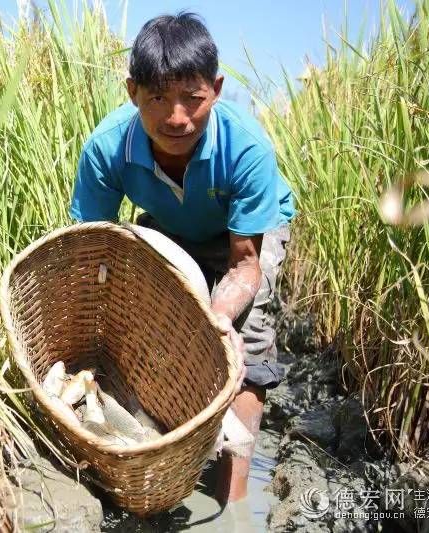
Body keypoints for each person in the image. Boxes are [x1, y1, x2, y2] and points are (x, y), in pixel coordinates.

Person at [68, 12, 295, 504]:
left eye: (192, 99)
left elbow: (245, 264)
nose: (176, 117)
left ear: (214, 88)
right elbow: (90, 247)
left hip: (248, 235)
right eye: (156, 99)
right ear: (132, 93)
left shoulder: (246, 149)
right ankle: (161, 449)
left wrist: (214, 320)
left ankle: (232, 502)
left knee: (245, 347)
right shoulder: (107, 149)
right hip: (171, 224)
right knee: (153, 332)